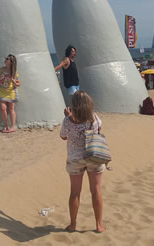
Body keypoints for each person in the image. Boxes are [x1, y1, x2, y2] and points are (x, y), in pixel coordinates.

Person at [60, 90, 106, 233]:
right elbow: (99, 129)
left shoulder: (68, 121)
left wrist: (69, 117)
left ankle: (73, 224)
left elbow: (63, 136)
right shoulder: (94, 118)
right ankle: (99, 225)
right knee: (96, 190)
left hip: (75, 158)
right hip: (93, 155)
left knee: (75, 192)